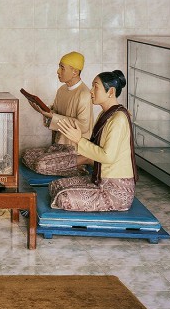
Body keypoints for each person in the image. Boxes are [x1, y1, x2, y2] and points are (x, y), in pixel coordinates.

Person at [50, 69, 136, 211]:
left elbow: (107, 157)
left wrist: (79, 140)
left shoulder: (118, 119)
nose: (91, 91)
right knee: (55, 186)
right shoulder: (105, 114)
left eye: (95, 87)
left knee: (63, 198)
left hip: (115, 190)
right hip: (99, 180)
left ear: (111, 92)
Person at [20, 51, 93, 176]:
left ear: (75, 72)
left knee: (40, 165)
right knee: (26, 155)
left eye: (62, 68)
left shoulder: (84, 94)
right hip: (59, 146)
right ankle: (70, 167)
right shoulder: (62, 90)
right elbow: (55, 114)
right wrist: (43, 111)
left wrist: (52, 116)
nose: (58, 71)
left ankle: (82, 161)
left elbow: (83, 126)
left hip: (74, 149)